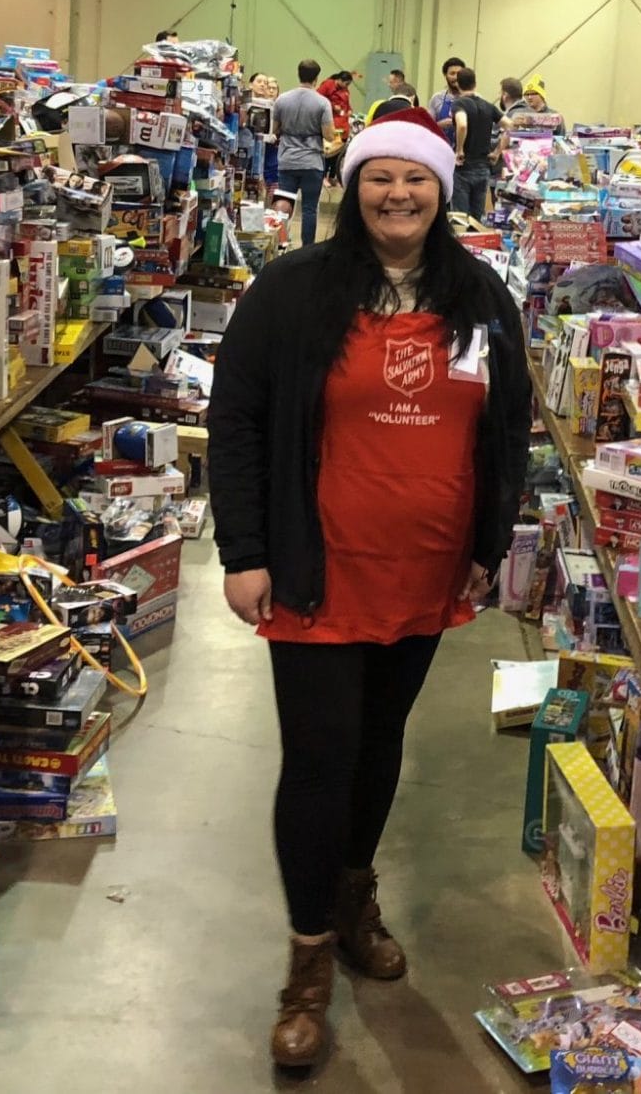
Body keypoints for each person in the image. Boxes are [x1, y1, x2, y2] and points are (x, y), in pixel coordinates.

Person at [210, 107, 531, 1070]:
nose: (398, 195)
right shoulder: (293, 292)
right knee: (318, 758)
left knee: (379, 745)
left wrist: (491, 540)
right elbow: (238, 425)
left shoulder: (480, 296)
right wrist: (244, 553)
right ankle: (308, 961)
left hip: (426, 570)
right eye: (380, 178)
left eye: (416, 179)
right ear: (353, 188)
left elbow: (505, 429)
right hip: (318, 571)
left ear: (442, 189)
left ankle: (354, 901)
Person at [274, 60, 340, 246]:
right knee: (310, 208)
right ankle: (307, 247)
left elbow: (275, 129)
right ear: (317, 78)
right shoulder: (322, 103)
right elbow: (328, 135)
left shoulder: (282, 99)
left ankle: (280, 243)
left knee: (284, 206)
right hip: (312, 162)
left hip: (287, 160)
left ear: (298, 74)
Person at [449, 66, 502, 218]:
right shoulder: (489, 106)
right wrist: (497, 151)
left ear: (457, 84)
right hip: (483, 167)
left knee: (460, 217)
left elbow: (462, 124)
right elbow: (510, 126)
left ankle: (462, 242)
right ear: (475, 83)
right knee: (477, 217)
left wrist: (459, 150)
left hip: (463, 168)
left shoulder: (459, 104)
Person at [428, 57, 466, 124]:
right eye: (452, 73)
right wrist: (440, 125)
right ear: (445, 75)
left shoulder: (472, 98)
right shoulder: (437, 98)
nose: (456, 77)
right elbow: (429, 127)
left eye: (459, 73)